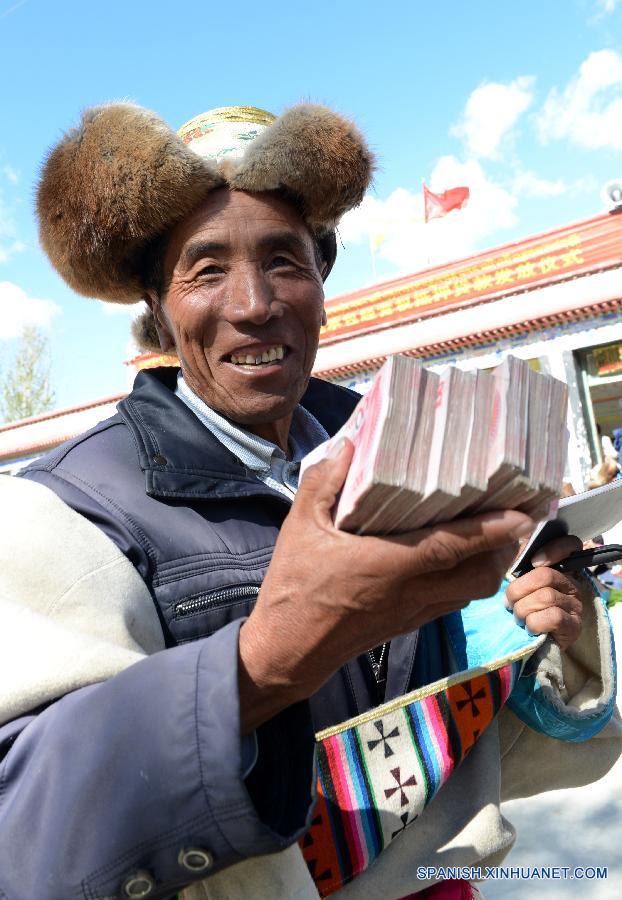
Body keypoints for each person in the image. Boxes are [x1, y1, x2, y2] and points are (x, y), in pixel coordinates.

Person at [0, 103, 620, 900]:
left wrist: (538, 632)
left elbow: (448, 695)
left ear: (323, 284)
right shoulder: (68, 511)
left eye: (285, 260)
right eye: (206, 268)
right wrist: (263, 664)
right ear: (157, 308)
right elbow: (23, 820)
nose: (255, 302)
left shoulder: (400, 446)